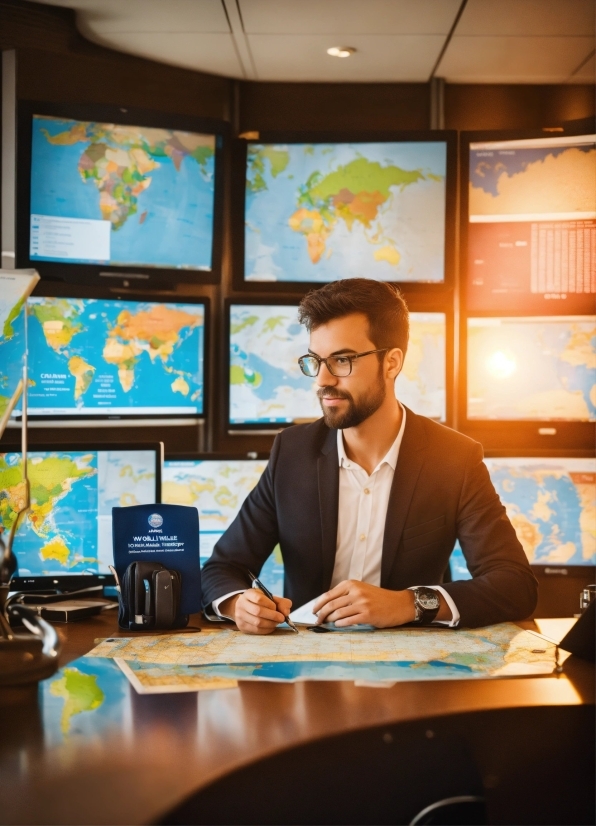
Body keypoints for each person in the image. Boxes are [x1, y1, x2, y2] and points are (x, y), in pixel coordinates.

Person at [202, 278, 537, 634]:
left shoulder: (454, 458)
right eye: (315, 361)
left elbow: (515, 584)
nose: (322, 380)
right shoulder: (292, 452)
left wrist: (409, 603)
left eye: (342, 360)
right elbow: (222, 568)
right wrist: (239, 603)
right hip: (310, 669)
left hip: (412, 671)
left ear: (391, 363)